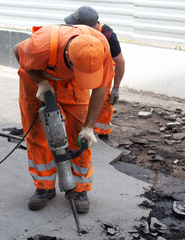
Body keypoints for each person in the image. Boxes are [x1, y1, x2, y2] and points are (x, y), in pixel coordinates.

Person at [13, 24, 114, 213]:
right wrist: (41, 82)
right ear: (69, 56)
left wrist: (89, 127)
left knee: (80, 136)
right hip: (38, 78)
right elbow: (17, 52)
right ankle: (44, 186)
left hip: (74, 83)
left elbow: (101, 87)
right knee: (38, 135)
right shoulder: (41, 45)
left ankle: (80, 190)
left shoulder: (101, 47)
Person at [65, 6, 125, 143]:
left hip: (103, 66)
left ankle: (102, 133)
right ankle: (79, 127)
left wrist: (116, 87)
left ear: (88, 27)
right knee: (79, 98)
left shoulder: (108, 36)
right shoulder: (76, 33)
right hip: (84, 64)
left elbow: (120, 62)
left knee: (104, 98)